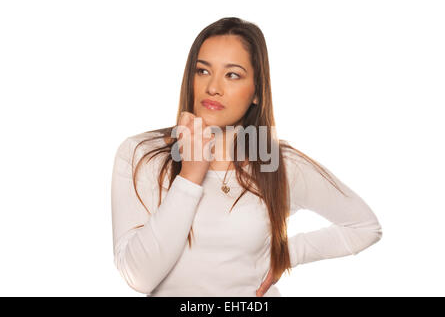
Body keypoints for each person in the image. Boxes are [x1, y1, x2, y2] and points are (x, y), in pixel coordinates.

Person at [110, 17, 383, 297]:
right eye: (202, 71)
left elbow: (364, 227)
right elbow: (138, 276)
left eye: (232, 75)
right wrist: (190, 176)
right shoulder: (141, 154)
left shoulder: (277, 163)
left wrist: (285, 255)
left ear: (256, 91)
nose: (213, 87)